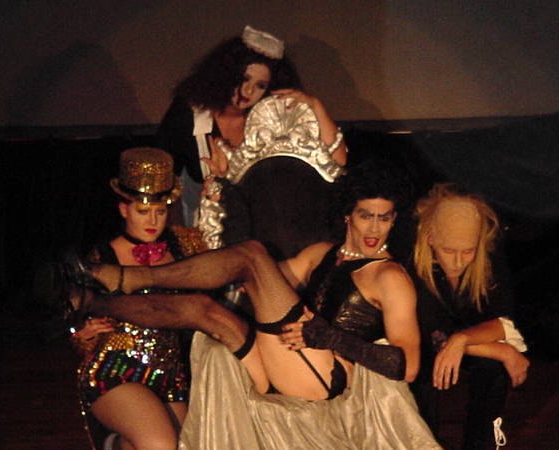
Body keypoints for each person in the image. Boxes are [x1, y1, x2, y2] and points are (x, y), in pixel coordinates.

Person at [70, 159, 440, 448]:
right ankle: (89, 300)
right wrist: (221, 190)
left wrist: (330, 338)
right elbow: (247, 280)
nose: (375, 228)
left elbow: (407, 367)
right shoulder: (323, 254)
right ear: (348, 214)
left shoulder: (389, 276)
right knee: (203, 310)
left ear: (395, 219)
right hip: (285, 358)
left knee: (252, 255)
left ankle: (130, 277)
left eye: (384, 218)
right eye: (366, 216)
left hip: (323, 376)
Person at [69, 147, 206, 450]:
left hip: (170, 375)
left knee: (187, 445)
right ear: (124, 210)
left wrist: (217, 190)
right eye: (143, 212)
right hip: (116, 370)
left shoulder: (186, 245)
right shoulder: (100, 258)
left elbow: (223, 250)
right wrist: (83, 334)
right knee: (159, 443)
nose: (153, 220)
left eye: (160, 211)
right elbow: (74, 322)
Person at [157, 25, 346, 226]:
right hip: (205, 227)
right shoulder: (189, 114)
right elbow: (161, 181)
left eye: (260, 85)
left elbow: (338, 160)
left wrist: (315, 105)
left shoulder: (273, 119)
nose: (248, 91)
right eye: (244, 79)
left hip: (266, 228)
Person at [408, 183, 530, 450]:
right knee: (422, 373)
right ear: (430, 239)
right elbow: (432, 333)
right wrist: (502, 351)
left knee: (493, 370)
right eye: (448, 251)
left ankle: (481, 443)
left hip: (464, 341)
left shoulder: (490, 260)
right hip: (421, 347)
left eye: (468, 251)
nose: (458, 261)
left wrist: (461, 340)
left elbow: (504, 322)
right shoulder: (414, 266)